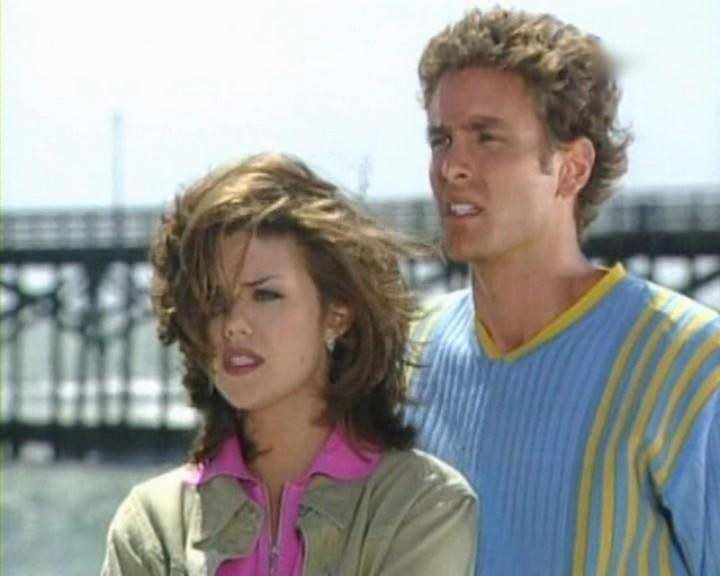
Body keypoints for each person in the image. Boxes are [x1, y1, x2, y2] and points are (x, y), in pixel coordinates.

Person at [405, 7, 720, 575]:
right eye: (441, 139)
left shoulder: (690, 365)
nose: (452, 166)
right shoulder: (407, 356)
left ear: (572, 168)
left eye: (487, 138)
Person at [101, 152, 477, 575]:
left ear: (337, 312)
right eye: (213, 299)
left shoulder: (420, 505)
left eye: (265, 295)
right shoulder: (153, 526)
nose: (233, 324)